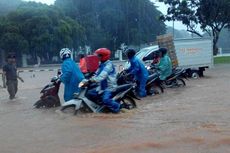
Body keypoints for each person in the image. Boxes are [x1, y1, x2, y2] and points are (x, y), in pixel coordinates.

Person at [87, 48, 122, 113]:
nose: (97, 57)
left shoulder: (109, 65)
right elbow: (96, 74)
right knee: (89, 93)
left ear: (104, 56)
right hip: (102, 87)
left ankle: (118, 107)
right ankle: (100, 106)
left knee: (106, 99)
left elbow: (102, 75)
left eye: (99, 56)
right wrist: (89, 79)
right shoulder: (101, 64)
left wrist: (93, 80)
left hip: (110, 87)